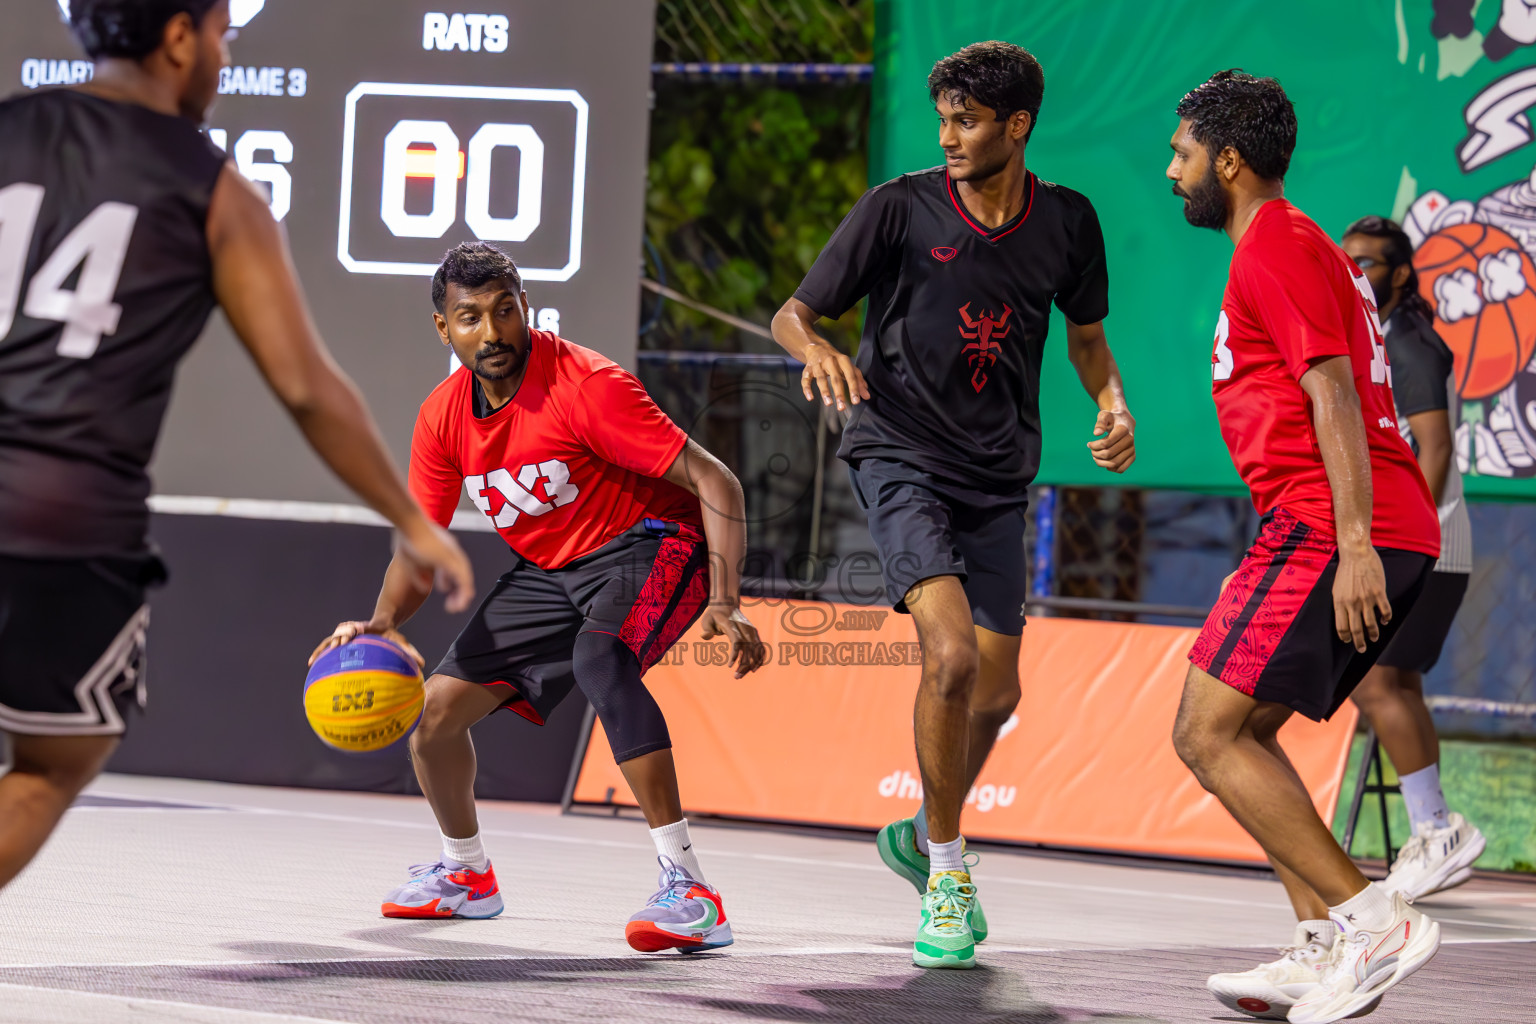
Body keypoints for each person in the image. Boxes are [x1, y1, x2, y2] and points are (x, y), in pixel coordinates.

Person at [0, 0, 474, 893]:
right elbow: (307, 388)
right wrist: (412, 519)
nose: (224, 55)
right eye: (222, 33)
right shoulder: (212, 188)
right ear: (178, 37)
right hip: (62, 518)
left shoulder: (8, 126)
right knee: (56, 758)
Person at [771, 41, 1136, 970]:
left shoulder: (1068, 224)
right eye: (943, 121)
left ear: (1017, 126)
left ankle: (919, 830)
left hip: (997, 473)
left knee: (1000, 690)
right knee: (950, 654)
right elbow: (794, 313)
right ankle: (945, 871)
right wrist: (813, 349)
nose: (949, 138)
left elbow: (1087, 338)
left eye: (967, 122)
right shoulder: (898, 206)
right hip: (897, 451)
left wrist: (1112, 400)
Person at [311, 242, 767, 952]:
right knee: (433, 714)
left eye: (503, 311)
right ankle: (467, 876)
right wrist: (381, 625)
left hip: (653, 540)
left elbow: (717, 482)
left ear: (526, 306)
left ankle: (690, 888)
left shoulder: (587, 386)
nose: (491, 333)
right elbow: (420, 545)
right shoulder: (443, 418)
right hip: (551, 569)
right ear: (444, 329)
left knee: (600, 660)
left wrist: (728, 601)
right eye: (470, 318)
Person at [1165, 71, 1443, 1024]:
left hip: (1330, 527)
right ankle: (1326, 942)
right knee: (1245, 735)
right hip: (1341, 523)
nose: (1172, 171)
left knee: (1203, 731)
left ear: (1228, 161)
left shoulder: (1275, 245)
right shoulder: (1293, 243)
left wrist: (1355, 543)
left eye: (1182, 153)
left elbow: (1330, 391)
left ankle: (1375, 922)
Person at [1340, 216, 1484, 901]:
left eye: (1367, 263)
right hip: (1417, 539)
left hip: (1430, 541)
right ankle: (1434, 831)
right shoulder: (1375, 338)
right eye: (1348, 262)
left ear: (1399, 275)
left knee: (1376, 684)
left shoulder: (1410, 342)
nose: (1355, 272)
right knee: (1395, 685)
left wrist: (1408, 537)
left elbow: (1437, 447)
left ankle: (1436, 828)